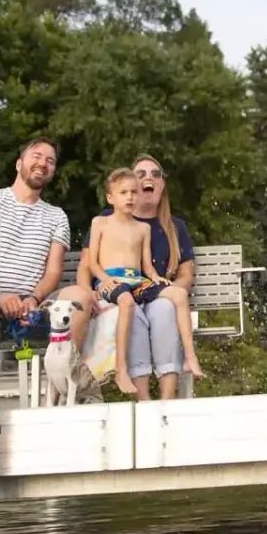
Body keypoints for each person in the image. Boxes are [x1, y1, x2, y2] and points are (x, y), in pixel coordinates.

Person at [0, 137, 95, 355]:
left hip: (33, 307)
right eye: (37, 156)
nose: (43, 163)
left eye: (50, 161)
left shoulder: (56, 216)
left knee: (82, 296)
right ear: (18, 163)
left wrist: (34, 299)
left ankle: (65, 381)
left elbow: (53, 271)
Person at [80, 167, 201, 396]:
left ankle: (189, 357)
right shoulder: (101, 222)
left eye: (133, 193)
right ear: (110, 198)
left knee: (178, 295)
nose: (130, 197)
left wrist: (157, 279)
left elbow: (147, 266)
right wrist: (102, 281)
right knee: (127, 303)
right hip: (112, 280)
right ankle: (121, 369)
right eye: (124, 192)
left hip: (137, 280)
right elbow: (91, 263)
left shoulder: (143, 228)